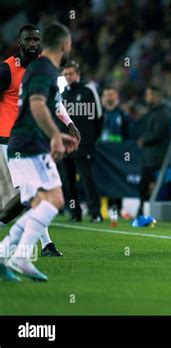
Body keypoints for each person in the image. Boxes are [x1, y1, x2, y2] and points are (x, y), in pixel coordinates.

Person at [0, 22, 78, 281]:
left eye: (36, 40)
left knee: (39, 199)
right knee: (39, 199)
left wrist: (67, 125)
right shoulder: (40, 69)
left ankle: (9, 253)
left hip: (27, 141)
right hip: (25, 142)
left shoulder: (39, 69)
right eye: (29, 40)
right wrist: (56, 136)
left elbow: (51, 103)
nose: (32, 44)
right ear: (64, 45)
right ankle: (20, 254)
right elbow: (36, 105)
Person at [60, 60, 103, 222]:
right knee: (68, 182)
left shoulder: (88, 90)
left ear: (78, 74)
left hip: (84, 145)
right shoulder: (62, 94)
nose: (68, 77)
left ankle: (95, 213)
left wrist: (91, 139)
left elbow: (98, 117)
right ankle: (74, 212)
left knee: (87, 180)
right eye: (65, 75)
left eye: (70, 73)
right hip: (65, 146)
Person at [136, 85, 171, 216]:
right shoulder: (155, 111)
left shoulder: (163, 112)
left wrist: (143, 140)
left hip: (157, 157)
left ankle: (144, 211)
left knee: (146, 185)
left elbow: (158, 133)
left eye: (149, 94)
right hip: (151, 156)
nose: (147, 97)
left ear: (156, 95)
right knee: (145, 185)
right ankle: (143, 210)